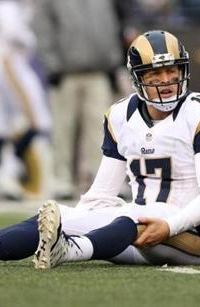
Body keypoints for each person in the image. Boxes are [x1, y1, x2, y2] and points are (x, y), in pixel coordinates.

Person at [0, 30, 200, 268]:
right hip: (141, 230)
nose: (165, 80)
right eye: (155, 72)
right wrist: (76, 217)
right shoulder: (121, 115)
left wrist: (168, 225)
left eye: (172, 70)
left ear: (183, 71)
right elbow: (102, 192)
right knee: (63, 214)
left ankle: (70, 250)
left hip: (198, 234)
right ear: (138, 77)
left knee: (131, 215)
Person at [33, 0, 124, 198]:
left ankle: (100, 183)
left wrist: (112, 61)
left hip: (98, 70)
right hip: (65, 72)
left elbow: (110, 26)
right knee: (63, 129)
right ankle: (61, 181)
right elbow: (42, 27)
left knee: (100, 130)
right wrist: (52, 65)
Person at [0, 0, 52, 199]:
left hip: (0, 70)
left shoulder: (18, 11)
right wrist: (24, 100)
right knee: (38, 122)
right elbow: (7, 59)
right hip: (7, 72)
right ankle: (9, 170)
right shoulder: (7, 10)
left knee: (0, 127)